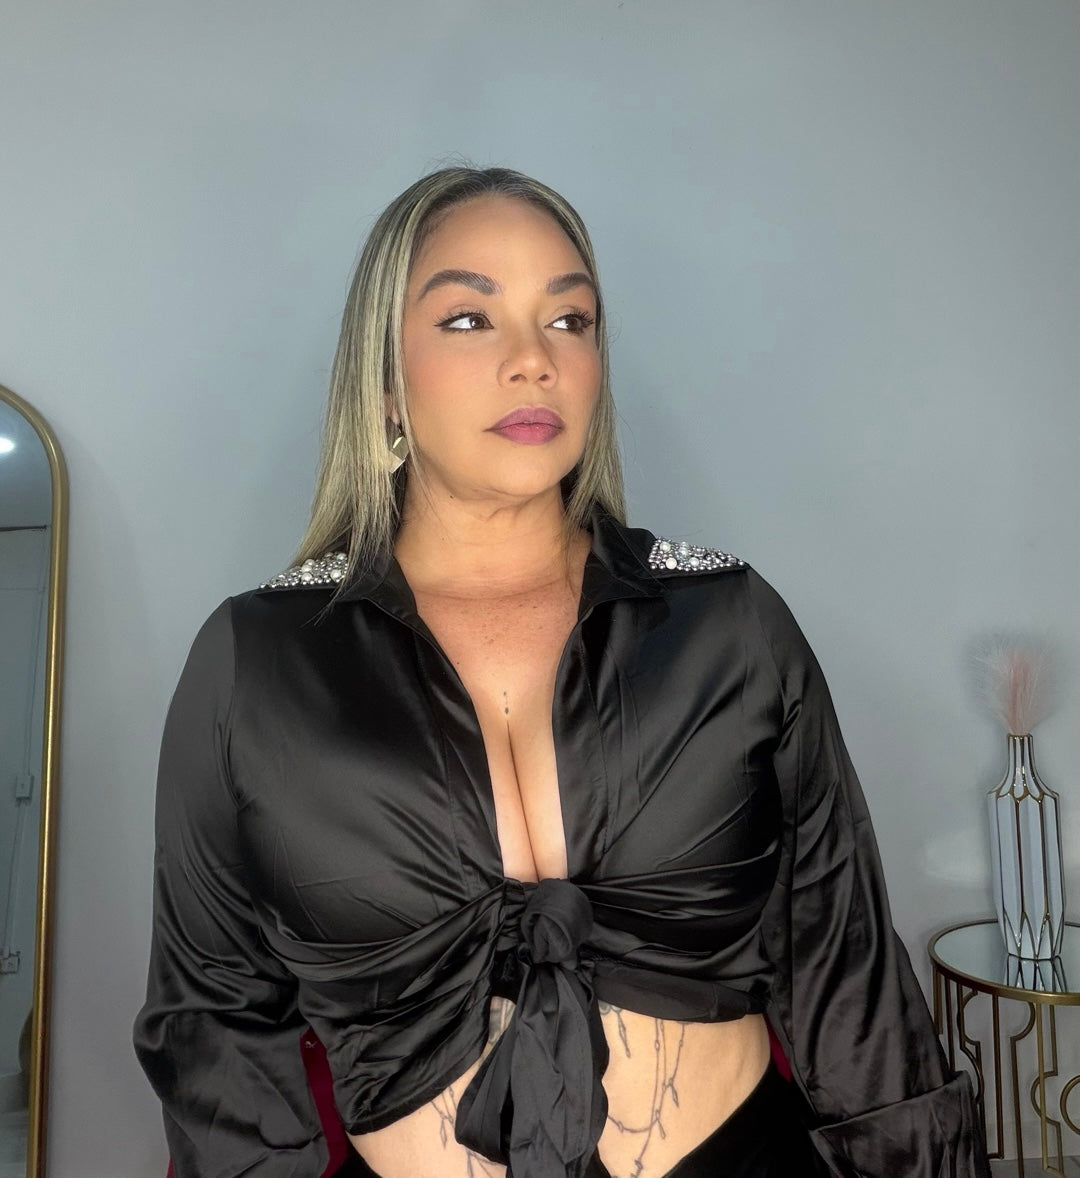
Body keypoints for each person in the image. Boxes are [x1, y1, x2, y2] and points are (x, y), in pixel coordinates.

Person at [134, 166, 990, 1178]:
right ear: (384, 383)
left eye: (569, 319)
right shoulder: (258, 662)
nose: (534, 360)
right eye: (469, 319)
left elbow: (848, 972)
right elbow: (216, 1019)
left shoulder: (727, 624)